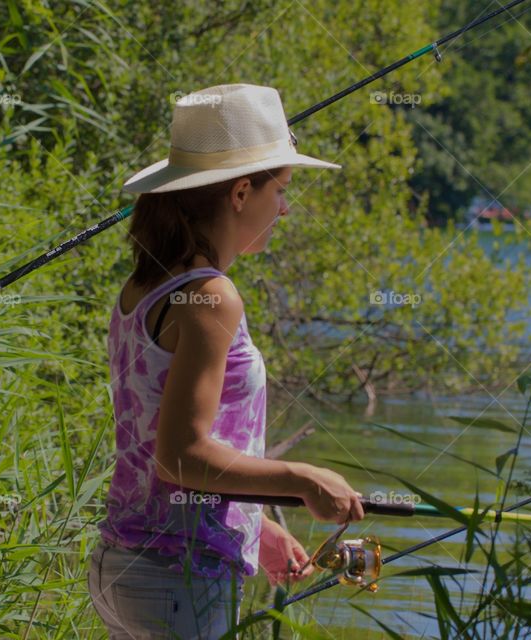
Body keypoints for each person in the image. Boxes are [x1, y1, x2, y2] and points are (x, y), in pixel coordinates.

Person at [88, 83, 365, 639]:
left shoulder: (144, 285)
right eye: (281, 190)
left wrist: (256, 527)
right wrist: (302, 477)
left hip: (123, 567)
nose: (284, 207)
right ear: (240, 194)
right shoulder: (213, 295)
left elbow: (158, 454)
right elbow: (179, 457)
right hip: (180, 579)